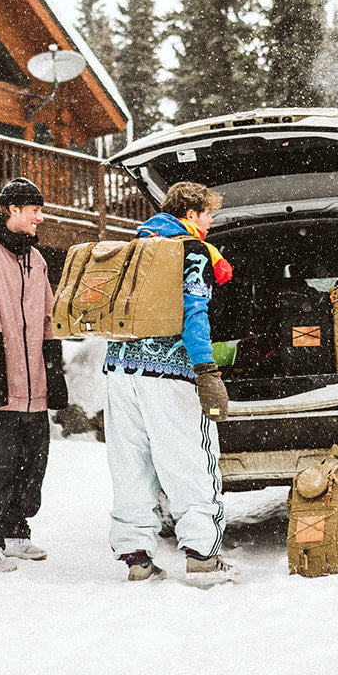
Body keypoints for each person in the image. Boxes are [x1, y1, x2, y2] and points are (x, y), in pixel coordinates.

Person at [104, 180, 236, 583]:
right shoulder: (190, 250)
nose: (211, 221)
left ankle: (137, 559)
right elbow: (194, 311)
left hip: (120, 371)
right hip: (169, 373)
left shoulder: (133, 247)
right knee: (190, 461)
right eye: (207, 213)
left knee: (131, 464)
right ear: (190, 213)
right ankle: (202, 557)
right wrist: (206, 368)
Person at [0, 176, 68, 572]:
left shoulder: (35, 259)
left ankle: (16, 532)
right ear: (12, 210)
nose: (40, 217)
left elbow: (47, 319)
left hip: (32, 386)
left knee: (31, 465)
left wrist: (53, 373)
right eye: (34, 210)